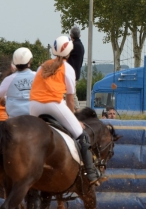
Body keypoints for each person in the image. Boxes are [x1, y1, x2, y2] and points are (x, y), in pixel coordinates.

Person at [29, 35, 105, 186]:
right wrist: (75, 118)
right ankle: (90, 173)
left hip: (33, 105)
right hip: (54, 105)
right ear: (69, 53)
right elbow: (70, 99)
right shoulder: (68, 68)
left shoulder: (42, 66)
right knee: (82, 136)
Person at [0, 48, 36, 117]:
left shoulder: (9, 79)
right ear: (29, 62)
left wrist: (5, 100)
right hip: (34, 114)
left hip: (14, 116)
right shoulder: (37, 76)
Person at [67, 26, 85, 109]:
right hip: (76, 73)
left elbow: (65, 55)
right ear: (79, 35)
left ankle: (78, 111)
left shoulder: (73, 46)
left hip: (71, 74)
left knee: (72, 94)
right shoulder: (80, 45)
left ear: (71, 35)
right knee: (72, 94)